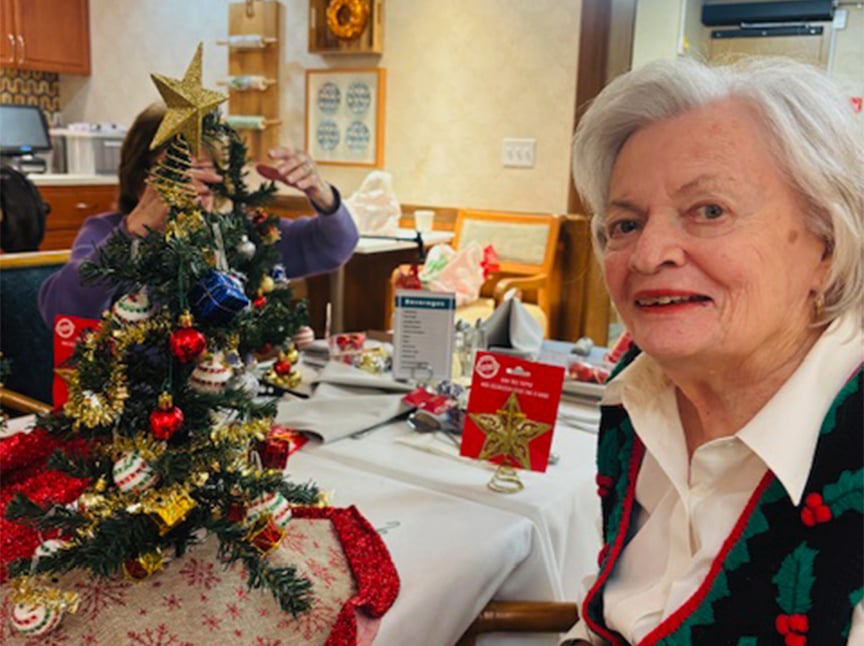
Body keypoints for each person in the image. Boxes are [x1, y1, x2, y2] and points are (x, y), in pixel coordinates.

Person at [563, 57, 863, 645]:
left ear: (827, 245)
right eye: (625, 223)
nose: (648, 255)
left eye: (709, 211)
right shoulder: (637, 390)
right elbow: (621, 608)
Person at [38, 103, 359, 326]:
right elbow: (60, 309)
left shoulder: (240, 236)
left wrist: (321, 192)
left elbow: (333, 246)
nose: (198, 189)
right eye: (181, 173)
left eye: (209, 174)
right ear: (140, 180)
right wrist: (133, 232)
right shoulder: (106, 233)